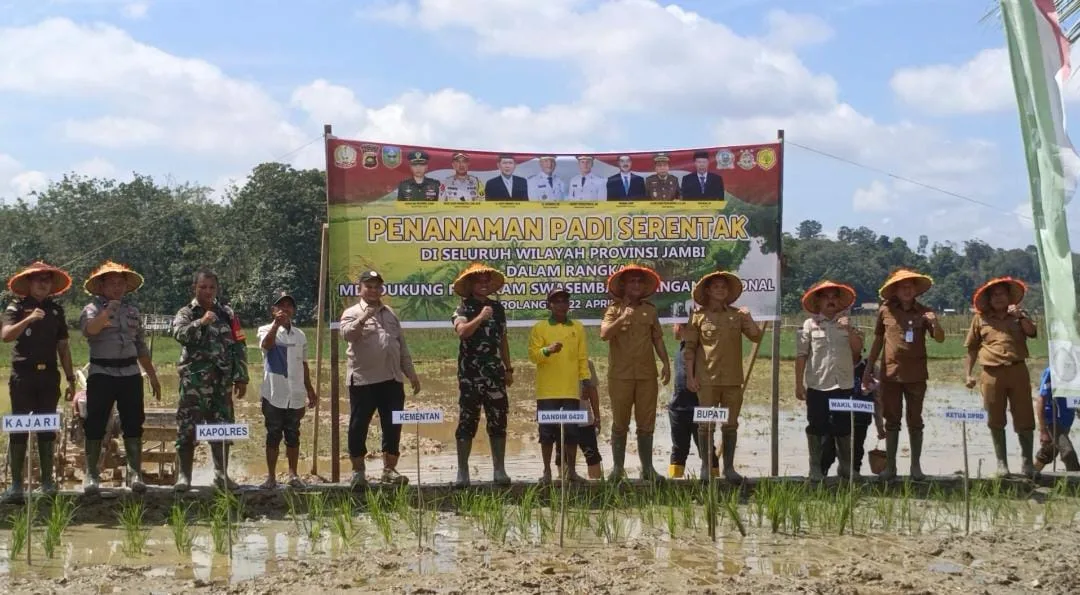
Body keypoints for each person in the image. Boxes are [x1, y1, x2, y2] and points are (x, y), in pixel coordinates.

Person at [79, 261, 162, 494]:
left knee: (133, 421)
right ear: (102, 286)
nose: (117, 288)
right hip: (102, 372)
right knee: (95, 422)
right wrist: (108, 310)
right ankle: (92, 474)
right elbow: (91, 330)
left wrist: (153, 376)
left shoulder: (133, 312)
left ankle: (134, 472)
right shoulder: (92, 309)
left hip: (130, 373)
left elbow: (141, 346)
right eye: (112, 283)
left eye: (121, 283)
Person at [1, 262, 76, 502]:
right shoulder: (17, 307)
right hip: (23, 375)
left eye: (47, 279)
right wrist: (29, 319)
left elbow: (63, 347)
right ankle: (15, 486)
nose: (43, 283)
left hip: (49, 376)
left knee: (47, 428)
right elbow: (6, 335)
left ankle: (47, 482)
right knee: (19, 428)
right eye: (38, 279)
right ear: (29, 283)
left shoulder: (56, 310)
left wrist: (71, 378)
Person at [862, 268, 945, 481]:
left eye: (911, 286)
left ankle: (915, 466)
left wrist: (934, 322)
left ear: (916, 290)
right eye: (903, 286)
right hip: (891, 374)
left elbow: (940, 339)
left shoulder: (925, 312)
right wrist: (868, 370)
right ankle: (891, 467)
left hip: (916, 375)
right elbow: (878, 341)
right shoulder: (885, 311)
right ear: (896, 290)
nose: (907, 290)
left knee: (915, 421)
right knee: (891, 420)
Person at [340, 271, 420, 488]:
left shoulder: (391, 314)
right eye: (369, 286)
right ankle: (358, 472)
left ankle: (389, 470)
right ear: (360, 289)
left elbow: (401, 346)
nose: (374, 290)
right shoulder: (351, 312)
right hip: (363, 380)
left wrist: (410, 373)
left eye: (377, 287)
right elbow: (347, 335)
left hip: (392, 379)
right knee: (358, 426)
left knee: (392, 425)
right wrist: (365, 317)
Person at [171, 268, 249, 492]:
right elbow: (180, 334)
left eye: (212, 287)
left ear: (217, 289)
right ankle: (184, 477)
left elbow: (239, 345)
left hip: (221, 383)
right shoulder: (186, 313)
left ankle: (220, 474)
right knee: (188, 429)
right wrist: (201, 323)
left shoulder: (227, 314)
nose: (207, 291)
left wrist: (241, 377)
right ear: (194, 288)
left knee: (221, 428)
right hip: (194, 382)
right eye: (203, 287)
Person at [683, 270, 763, 483]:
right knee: (705, 424)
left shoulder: (737, 315)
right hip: (706, 379)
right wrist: (690, 377)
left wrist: (749, 317)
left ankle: (729, 468)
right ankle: (706, 467)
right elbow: (689, 349)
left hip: (732, 380)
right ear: (708, 290)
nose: (720, 290)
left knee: (730, 424)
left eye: (724, 287)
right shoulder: (697, 316)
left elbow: (756, 336)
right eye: (716, 286)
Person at [600, 264, 670, 482]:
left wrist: (666, 363)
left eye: (640, 281)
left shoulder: (650, 310)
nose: (637, 285)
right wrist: (622, 318)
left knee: (646, 423)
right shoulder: (614, 309)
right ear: (623, 286)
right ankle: (618, 469)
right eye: (632, 281)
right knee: (620, 423)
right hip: (620, 376)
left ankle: (647, 468)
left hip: (646, 375)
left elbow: (657, 338)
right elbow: (604, 334)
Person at [963, 277, 1038, 478]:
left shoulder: (1019, 315)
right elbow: (971, 348)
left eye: (1001, 294)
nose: (998, 298)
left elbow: (1032, 332)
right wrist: (968, 374)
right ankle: (1002, 463)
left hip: (1017, 370)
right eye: (994, 295)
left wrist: (1021, 317)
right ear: (988, 299)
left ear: (1009, 297)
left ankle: (1027, 463)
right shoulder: (980, 318)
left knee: (1024, 417)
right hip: (991, 373)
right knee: (995, 418)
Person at [451, 263, 513, 486]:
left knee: (498, 420)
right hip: (470, 375)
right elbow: (462, 332)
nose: (484, 284)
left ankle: (499, 470)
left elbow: (503, 339)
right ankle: (462, 471)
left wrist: (508, 368)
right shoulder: (463, 309)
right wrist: (480, 317)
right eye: (479, 281)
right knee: (468, 420)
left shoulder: (498, 309)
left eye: (487, 281)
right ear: (470, 285)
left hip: (495, 374)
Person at [795, 281, 863, 481]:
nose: (831, 300)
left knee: (843, 426)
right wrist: (798, 384)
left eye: (834, 297)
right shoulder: (809, 325)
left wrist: (849, 330)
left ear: (840, 301)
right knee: (816, 426)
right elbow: (801, 356)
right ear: (818, 301)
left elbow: (858, 350)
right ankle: (815, 468)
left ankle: (845, 467)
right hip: (818, 385)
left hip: (843, 384)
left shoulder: (850, 324)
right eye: (826, 297)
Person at [528, 287, 589, 483]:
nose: (561, 304)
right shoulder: (540, 327)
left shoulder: (577, 327)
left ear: (569, 305)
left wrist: (585, 380)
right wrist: (548, 350)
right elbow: (533, 356)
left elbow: (582, 357)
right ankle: (546, 472)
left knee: (571, 434)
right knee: (546, 434)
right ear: (549, 305)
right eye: (557, 301)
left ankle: (570, 471)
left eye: (565, 301)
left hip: (570, 390)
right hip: (547, 392)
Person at [257, 291, 317, 489]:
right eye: (280, 306)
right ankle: (271, 477)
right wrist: (276, 325)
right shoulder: (265, 329)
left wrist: (310, 389)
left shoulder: (300, 335)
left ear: (293, 310)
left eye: (288, 306)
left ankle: (293, 474)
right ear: (273, 310)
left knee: (293, 434)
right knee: (273, 434)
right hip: (274, 393)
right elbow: (267, 345)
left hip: (296, 393)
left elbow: (304, 364)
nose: (284, 309)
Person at [667, 323, 719, 479]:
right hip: (679, 407)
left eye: (675, 325)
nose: (673, 328)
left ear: (682, 327)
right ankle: (675, 483)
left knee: (707, 449)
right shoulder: (680, 348)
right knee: (678, 449)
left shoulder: (702, 350)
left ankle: (715, 482)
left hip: (700, 406)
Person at [822, 352, 885, 477]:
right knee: (827, 452)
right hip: (834, 418)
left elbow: (878, 399)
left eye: (860, 339)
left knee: (856, 454)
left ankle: (850, 481)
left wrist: (880, 426)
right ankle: (819, 479)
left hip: (860, 420)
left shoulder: (871, 368)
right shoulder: (834, 363)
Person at [1034, 367, 1079, 472]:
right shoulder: (1051, 371)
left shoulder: (1075, 370)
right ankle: (1075, 484)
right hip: (1053, 420)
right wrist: (1043, 430)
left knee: (1049, 452)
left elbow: (1073, 396)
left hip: (1066, 420)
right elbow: (1041, 399)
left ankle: (1031, 477)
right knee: (1068, 453)